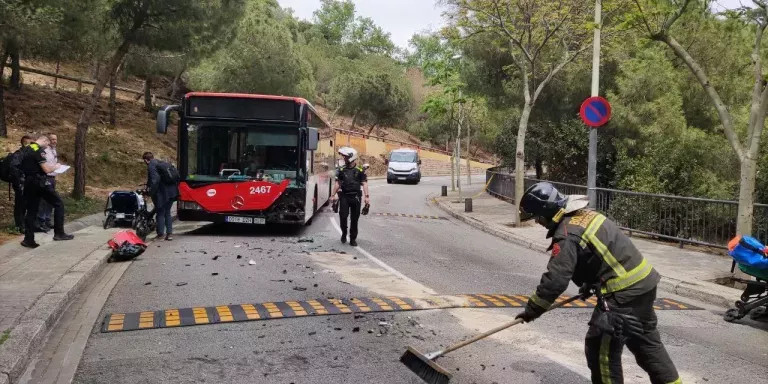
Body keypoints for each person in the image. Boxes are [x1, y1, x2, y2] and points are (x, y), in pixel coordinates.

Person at [514, 182, 681, 384]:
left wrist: (532, 310)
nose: (539, 223)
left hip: (622, 296)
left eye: (538, 218)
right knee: (646, 344)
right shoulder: (586, 215)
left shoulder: (567, 234)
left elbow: (556, 280)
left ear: (546, 212)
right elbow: (599, 254)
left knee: (601, 350)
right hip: (644, 285)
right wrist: (589, 283)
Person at [20, 135, 74, 248]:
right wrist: (56, 166)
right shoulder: (38, 150)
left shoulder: (26, 149)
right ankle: (59, 233)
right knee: (59, 203)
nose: (47, 146)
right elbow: (46, 169)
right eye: (47, 144)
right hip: (39, 182)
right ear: (44, 141)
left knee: (31, 211)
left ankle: (28, 239)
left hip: (28, 183)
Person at [330, 147, 369, 247]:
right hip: (344, 197)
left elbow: (364, 183)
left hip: (356, 197)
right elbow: (338, 183)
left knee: (354, 219)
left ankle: (352, 239)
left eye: (346, 157)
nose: (344, 158)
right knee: (343, 216)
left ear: (352, 157)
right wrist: (332, 195)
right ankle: (344, 233)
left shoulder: (360, 170)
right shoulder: (341, 170)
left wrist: (367, 197)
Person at [143, 152, 179, 241]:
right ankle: (169, 234)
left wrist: (150, 192)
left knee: (160, 213)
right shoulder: (161, 163)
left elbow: (155, 180)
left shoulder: (151, 165)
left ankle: (160, 235)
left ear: (146, 160)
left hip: (162, 194)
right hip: (172, 192)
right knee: (167, 212)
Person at [10, 135, 33, 233]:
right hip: (20, 183)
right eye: (30, 143)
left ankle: (25, 223)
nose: (33, 145)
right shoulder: (18, 154)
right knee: (20, 204)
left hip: (27, 182)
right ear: (25, 143)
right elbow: (14, 168)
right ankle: (19, 225)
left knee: (27, 203)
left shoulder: (29, 153)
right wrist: (21, 179)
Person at [37, 133, 59, 231]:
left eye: (55, 139)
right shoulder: (44, 151)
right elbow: (44, 165)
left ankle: (47, 220)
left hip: (52, 177)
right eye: (52, 139)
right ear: (48, 141)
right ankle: (41, 221)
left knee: (50, 201)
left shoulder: (54, 150)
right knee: (44, 200)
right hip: (46, 177)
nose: (54, 141)